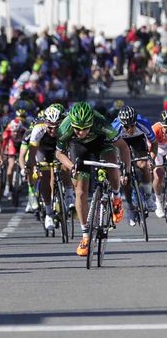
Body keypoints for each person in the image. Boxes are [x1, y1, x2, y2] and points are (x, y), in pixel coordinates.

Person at [55, 102, 131, 257]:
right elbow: (59, 153)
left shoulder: (100, 122)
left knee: (112, 163)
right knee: (80, 192)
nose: (81, 132)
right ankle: (85, 236)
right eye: (77, 128)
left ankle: (116, 197)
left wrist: (126, 171)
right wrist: (71, 166)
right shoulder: (65, 127)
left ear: (91, 123)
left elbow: (123, 147)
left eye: (85, 128)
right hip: (78, 148)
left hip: (101, 143)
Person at [27, 104, 73, 231]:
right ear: (45, 123)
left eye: (57, 127)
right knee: (45, 177)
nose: (53, 131)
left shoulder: (67, 126)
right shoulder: (38, 129)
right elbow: (32, 153)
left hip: (60, 149)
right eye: (50, 128)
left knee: (65, 166)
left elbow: (72, 147)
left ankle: (69, 195)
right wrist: (34, 168)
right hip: (43, 151)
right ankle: (48, 213)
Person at [112, 106, 158, 225]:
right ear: (122, 124)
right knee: (125, 179)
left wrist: (151, 159)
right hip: (121, 143)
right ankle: (130, 207)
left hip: (138, 140)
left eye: (132, 125)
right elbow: (111, 149)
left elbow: (154, 143)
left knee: (143, 165)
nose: (130, 129)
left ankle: (148, 196)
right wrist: (119, 168)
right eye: (126, 127)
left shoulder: (143, 124)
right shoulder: (115, 128)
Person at [152, 110, 167, 217]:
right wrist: (151, 160)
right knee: (159, 175)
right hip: (157, 148)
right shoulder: (155, 129)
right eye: (165, 127)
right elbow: (150, 146)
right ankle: (158, 201)